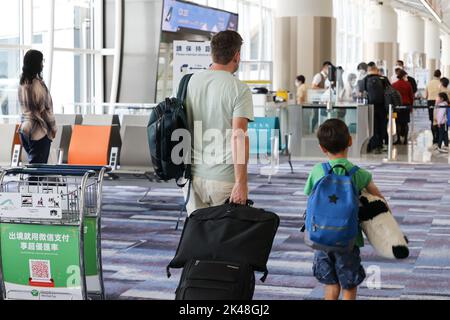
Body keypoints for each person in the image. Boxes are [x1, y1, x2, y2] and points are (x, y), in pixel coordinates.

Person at [304, 119, 385, 300]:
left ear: (322, 148)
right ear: (350, 141)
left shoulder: (317, 171)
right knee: (348, 284)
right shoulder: (359, 174)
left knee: (331, 284)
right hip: (348, 240)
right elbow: (380, 200)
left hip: (320, 238)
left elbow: (309, 195)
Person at [183, 31, 254, 214]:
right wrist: (241, 183)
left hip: (191, 177)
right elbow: (238, 136)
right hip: (224, 179)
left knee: (198, 237)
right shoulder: (239, 89)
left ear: (212, 53)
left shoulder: (189, 82)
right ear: (237, 56)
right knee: (227, 239)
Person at [18, 50, 56, 164]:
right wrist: (53, 128)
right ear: (36, 63)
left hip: (24, 130)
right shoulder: (38, 85)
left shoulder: (22, 84)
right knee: (37, 172)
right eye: (41, 61)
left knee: (33, 168)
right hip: (38, 132)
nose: (43, 64)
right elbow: (45, 110)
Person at [362, 63, 388, 154]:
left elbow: (361, 93)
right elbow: (390, 91)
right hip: (382, 106)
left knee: (372, 126)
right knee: (382, 125)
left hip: (370, 106)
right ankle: (380, 145)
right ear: (377, 70)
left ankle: (372, 145)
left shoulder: (364, 80)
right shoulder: (384, 79)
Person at [392, 70, 414, 145]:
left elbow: (392, 96)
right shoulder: (408, 84)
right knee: (405, 122)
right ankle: (405, 140)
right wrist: (411, 107)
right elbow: (411, 96)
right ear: (403, 76)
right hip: (406, 105)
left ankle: (398, 139)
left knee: (397, 122)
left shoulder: (394, 84)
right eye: (405, 76)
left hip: (397, 106)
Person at [425, 70, 442, 147]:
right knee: (439, 119)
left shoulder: (429, 83)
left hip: (430, 102)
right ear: (440, 75)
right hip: (439, 102)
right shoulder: (441, 83)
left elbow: (426, 95)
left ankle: (434, 137)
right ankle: (438, 137)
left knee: (432, 120)